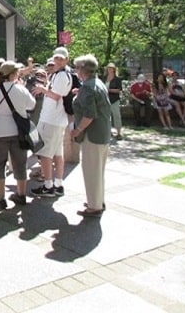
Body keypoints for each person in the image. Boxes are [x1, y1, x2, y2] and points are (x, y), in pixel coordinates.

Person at [0, 61, 36, 209]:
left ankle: (0, 198)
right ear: (13, 74)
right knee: (20, 163)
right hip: (18, 132)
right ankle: (21, 194)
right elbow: (32, 105)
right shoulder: (21, 89)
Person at [70, 54, 111, 218]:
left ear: (82, 69)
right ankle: (98, 201)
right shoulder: (97, 83)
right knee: (98, 170)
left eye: (77, 67)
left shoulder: (87, 87)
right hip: (102, 133)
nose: (75, 70)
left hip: (92, 135)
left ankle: (94, 207)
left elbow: (89, 114)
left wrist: (77, 130)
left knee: (91, 170)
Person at [31, 47, 72, 198]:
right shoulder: (60, 75)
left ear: (66, 60)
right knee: (56, 154)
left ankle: (48, 185)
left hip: (51, 120)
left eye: (61, 58)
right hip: (56, 120)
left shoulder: (61, 75)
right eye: (56, 58)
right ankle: (58, 184)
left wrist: (42, 89)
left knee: (45, 154)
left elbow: (56, 96)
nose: (58, 61)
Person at [103, 62, 123, 140]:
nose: (110, 70)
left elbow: (119, 90)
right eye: (108, 68)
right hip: (105, 99)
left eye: (111, 68)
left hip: (114, 100)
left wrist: (109, 90)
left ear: (114, 70)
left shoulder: (117, 79)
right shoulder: (104, 78)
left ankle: (118, 133)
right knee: (107, 117)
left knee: (116, 116)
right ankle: (109, 131)